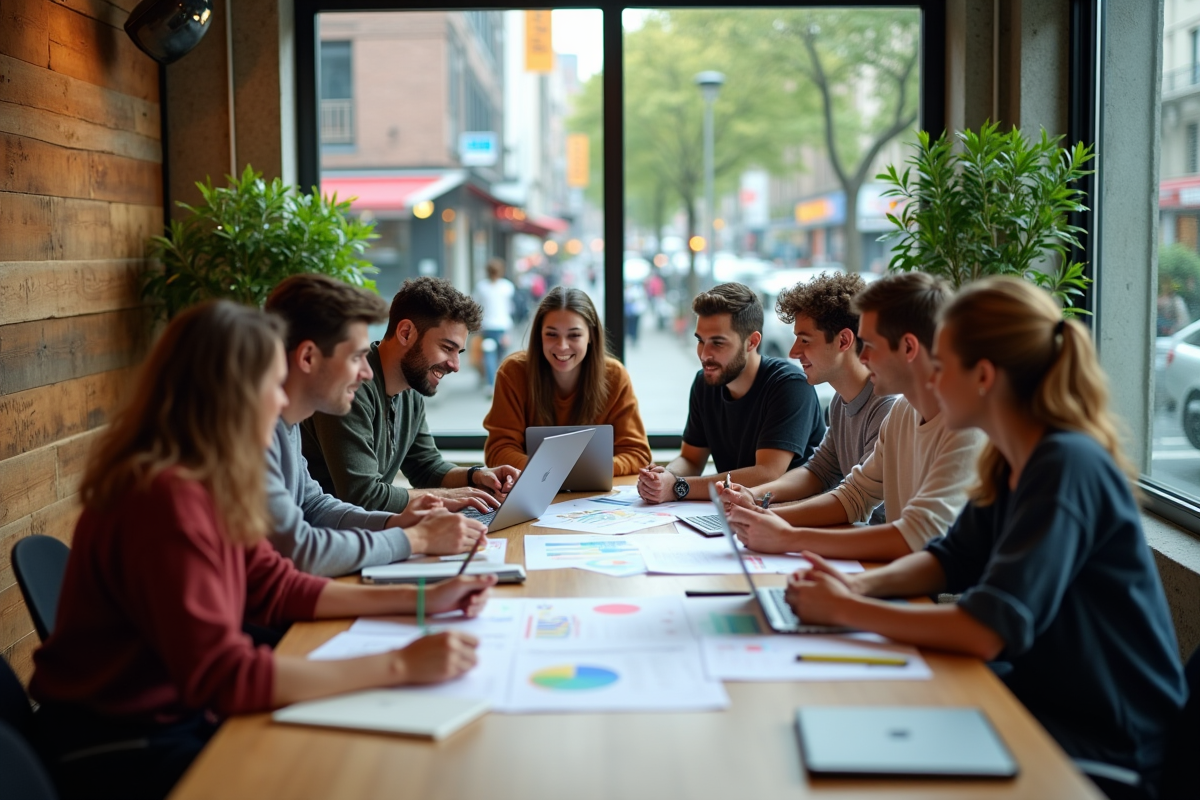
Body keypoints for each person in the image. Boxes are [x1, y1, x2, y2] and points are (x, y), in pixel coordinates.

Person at [29, 300, 495, 800]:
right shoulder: (165, 499)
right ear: (221, 395)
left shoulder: (208, 476)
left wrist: (426, 598)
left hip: (173, 712)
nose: (283, 409)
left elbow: (274, 585)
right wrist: (401, 665)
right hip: (122, 743)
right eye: (272, 387)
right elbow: (225, 676)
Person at [783, 277, 1187, 790]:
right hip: (1038, 697)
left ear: (984, 377)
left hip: (1104, 740)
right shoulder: (1008, 460)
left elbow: (990, 625)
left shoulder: (1065, 465)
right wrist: (857, 587)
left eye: (942, 365)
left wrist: (848, 610)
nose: (930, 377)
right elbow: (949, 557)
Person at [724, 272, 983, 561]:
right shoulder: (900, 414)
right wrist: (767, 516)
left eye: (870, 345)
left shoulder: (967, 427)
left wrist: (788, 536)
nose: (863, 356)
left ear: (909, 347)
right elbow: (855, 495)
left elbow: (917, 537)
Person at [263, 275, 488, 576]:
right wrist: (414, 538)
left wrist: (398, 524)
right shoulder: (256, 432)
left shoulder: (285, 427)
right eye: (356, 357)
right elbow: (302, 549)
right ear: (308, 357)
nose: (367, 370)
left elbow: (315, 506)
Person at [301, 277, 521, 514]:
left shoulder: (411, 386)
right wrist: (449, 498)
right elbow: (363, 496)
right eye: (447, 348)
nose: (456, 365)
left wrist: (477, 476)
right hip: (330, 532)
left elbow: (426, 467)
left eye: (459, 352)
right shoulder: (352, 387)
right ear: (405, 333)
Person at [722, 272, 896, 523]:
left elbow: (855, 500)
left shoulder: (887, 406)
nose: (793, 352)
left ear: (844, 340)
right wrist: (753, 495)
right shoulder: (839, 401)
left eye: (804, 339)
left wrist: (766, 515)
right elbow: (818, 471)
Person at [638, 282, 825, 503]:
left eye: (718, 343)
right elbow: (690, 459)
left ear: (752, 342)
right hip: (739, 513)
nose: (704, 354)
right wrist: (665, 477)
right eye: (700, 340)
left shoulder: (789, 385)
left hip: (795, 517)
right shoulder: (705, 382)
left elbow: (767, 473)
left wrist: (679, 487)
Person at [482, 287, 652, 475]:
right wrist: (564, 471)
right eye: (552, 334)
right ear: (539, 336)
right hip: (535, 493)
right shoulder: (513, 372)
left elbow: (638, 454)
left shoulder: (614, 375)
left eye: (574, 335)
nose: (562, 346)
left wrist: (567, 470)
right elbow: (497, 452)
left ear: (590, 336)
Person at [473, 258, 516, 396]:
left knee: (489, 356)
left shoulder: (481, 287)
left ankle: (491, 384)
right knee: (500, 356)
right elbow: (511, 308)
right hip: (503, 327)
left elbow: (475, 306)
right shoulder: (507, 287)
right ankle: (501, 382)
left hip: (487, 327)